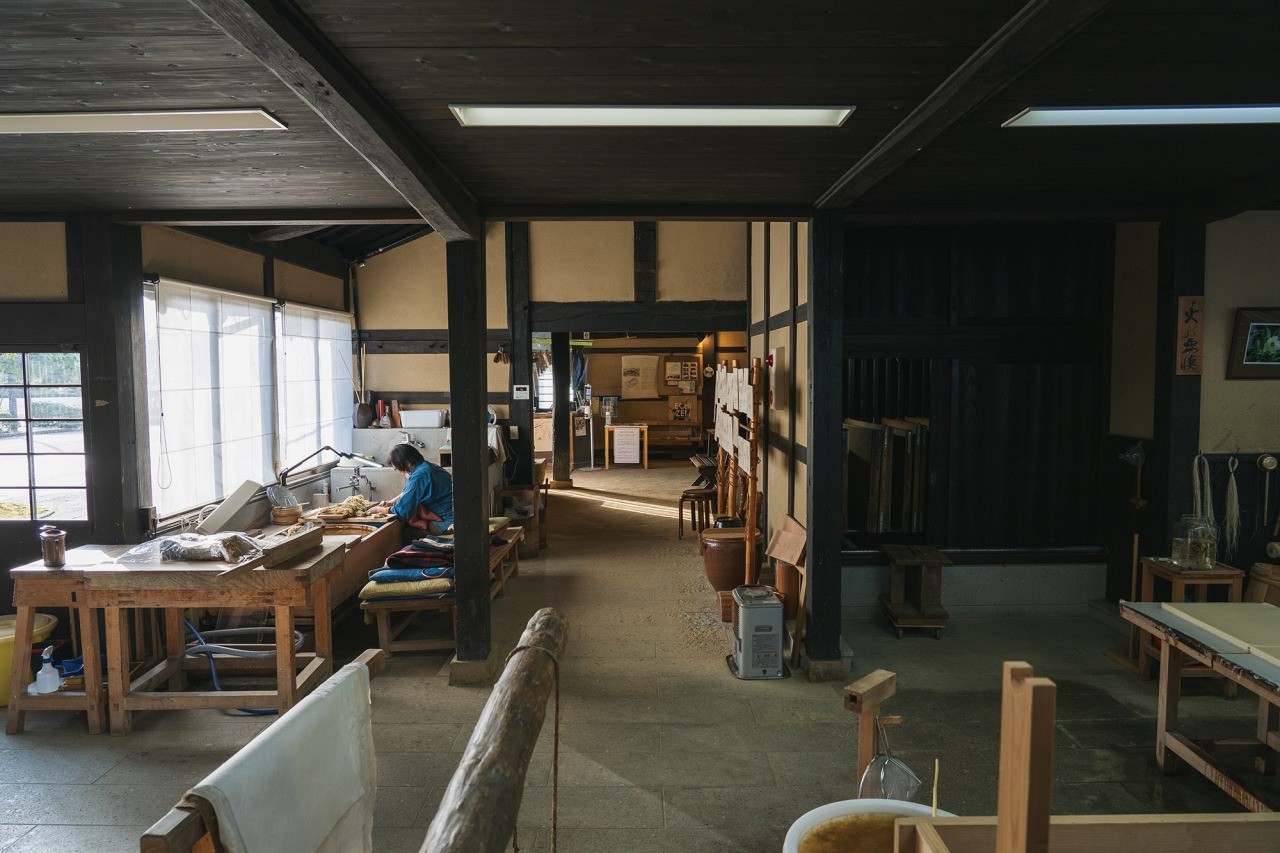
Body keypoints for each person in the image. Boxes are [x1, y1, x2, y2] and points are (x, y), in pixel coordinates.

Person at [368, 444, 454, 533]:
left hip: (447, 522)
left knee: (408, 533)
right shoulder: (429, 467)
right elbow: (409, 492)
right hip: (455, 516)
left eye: (396, 468)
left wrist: (379, 510)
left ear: (407, 463)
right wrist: (391, 502)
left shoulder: (419, 476)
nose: (397, 471)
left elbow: (402, 511)